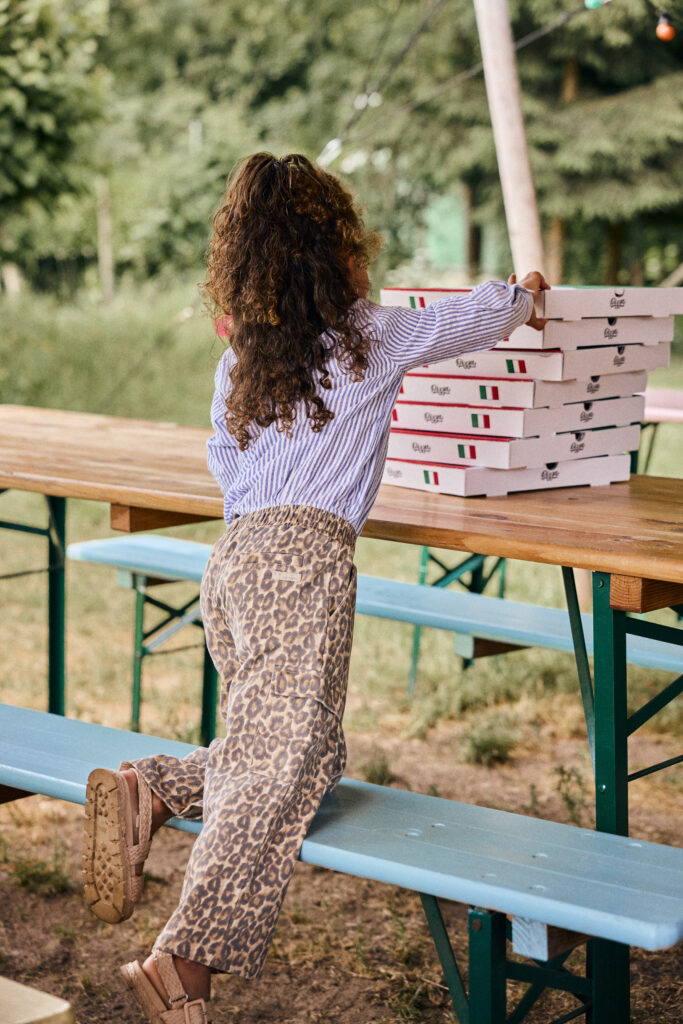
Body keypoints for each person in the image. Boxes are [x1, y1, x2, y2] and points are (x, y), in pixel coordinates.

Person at [81, 151, 549, 1023]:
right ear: (340, 257)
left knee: (301, 755)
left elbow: (228, 464)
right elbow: (473, 319)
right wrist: (522, 296)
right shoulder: (374, 336)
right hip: (304, 570)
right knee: (279, 767)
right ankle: (182, 963)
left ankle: (155, 789)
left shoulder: (239, 366)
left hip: (235, 564)